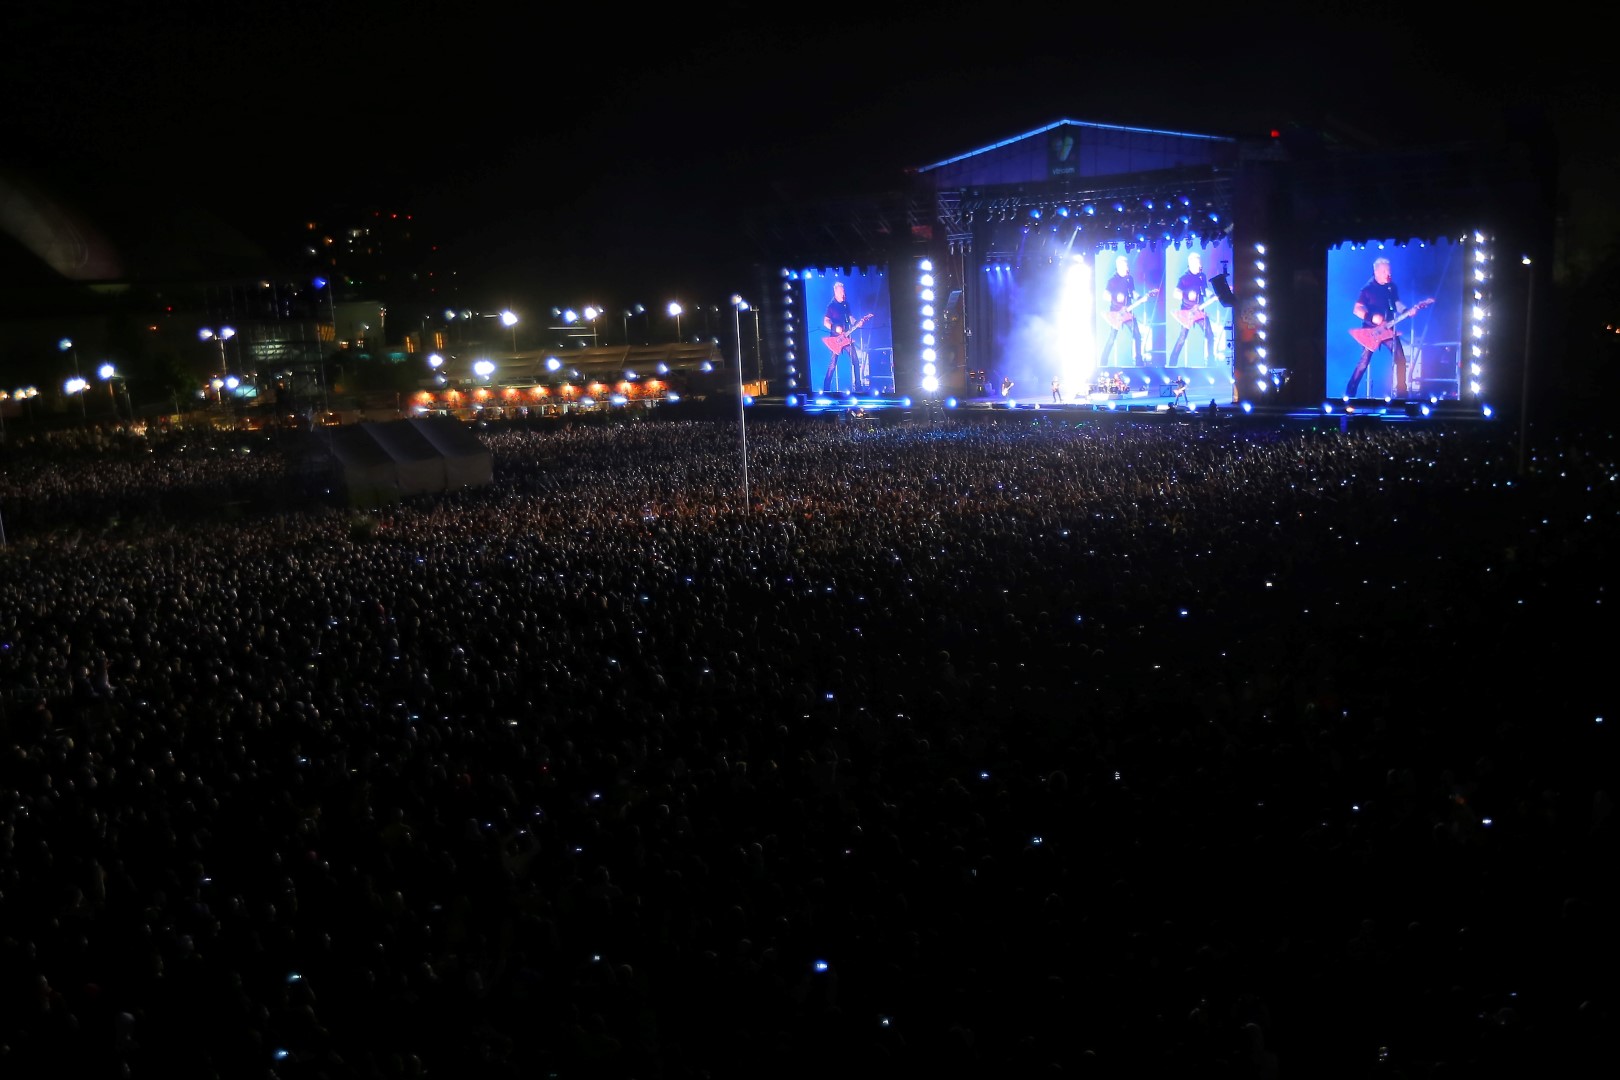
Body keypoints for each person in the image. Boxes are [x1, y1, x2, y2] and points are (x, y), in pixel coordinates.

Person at [1346, 256, 1411, 398]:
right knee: (1363, 363)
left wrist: (1406, 311)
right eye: (1385, 271)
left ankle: (1402, 394)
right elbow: (1357, 309)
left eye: (1389, 271)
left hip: (1388, 329)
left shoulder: (1391, 287)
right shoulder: (1367, 289)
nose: (1388, 274)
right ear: (1376, 272)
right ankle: (1349, 393)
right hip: (1371, 331)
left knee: (1400, 359)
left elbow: (1397, 303)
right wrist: (1371, 317)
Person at [821, 281, 873, 394]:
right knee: (832, 365)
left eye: (844, 292)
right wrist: (835, 328)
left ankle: (858, 387)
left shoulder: (846, 305)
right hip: (835, 339)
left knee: (855, 360)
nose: (843, 294)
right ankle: (826, 389)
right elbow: (826, 321)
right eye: (841, 292)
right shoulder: (831, 306)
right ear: (835, 292)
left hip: (846, 337)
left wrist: (858, 323)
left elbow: (850, 318)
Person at [1167, 251, 1216, 367]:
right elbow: (1175, 293)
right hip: (1187, 313)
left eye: (1201, 263)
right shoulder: (1184, 278)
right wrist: (1186, 295)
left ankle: (1211, 362)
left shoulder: (1202, 276)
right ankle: (1172, 363)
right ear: (1192, 264)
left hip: (1200, 311)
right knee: (1182, 338)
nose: (1201, 266)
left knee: (1210, 335)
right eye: (1199, 264)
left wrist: (1212, 295)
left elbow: (1204, 290)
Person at [1099, 255, 1148, 367]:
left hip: (1128, 312)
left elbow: (1132, 292)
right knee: (1112, 338)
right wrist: (1115, 297)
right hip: (1116, 313)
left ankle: (1139, 361)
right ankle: (1103, 362)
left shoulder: (1129, 279)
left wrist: (1140, 298)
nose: (1127, 268)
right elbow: (1105, 295)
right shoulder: (1112, 280)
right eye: (1125, 265)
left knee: (1137, 335)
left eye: (1127, 265)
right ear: (1119, 266)